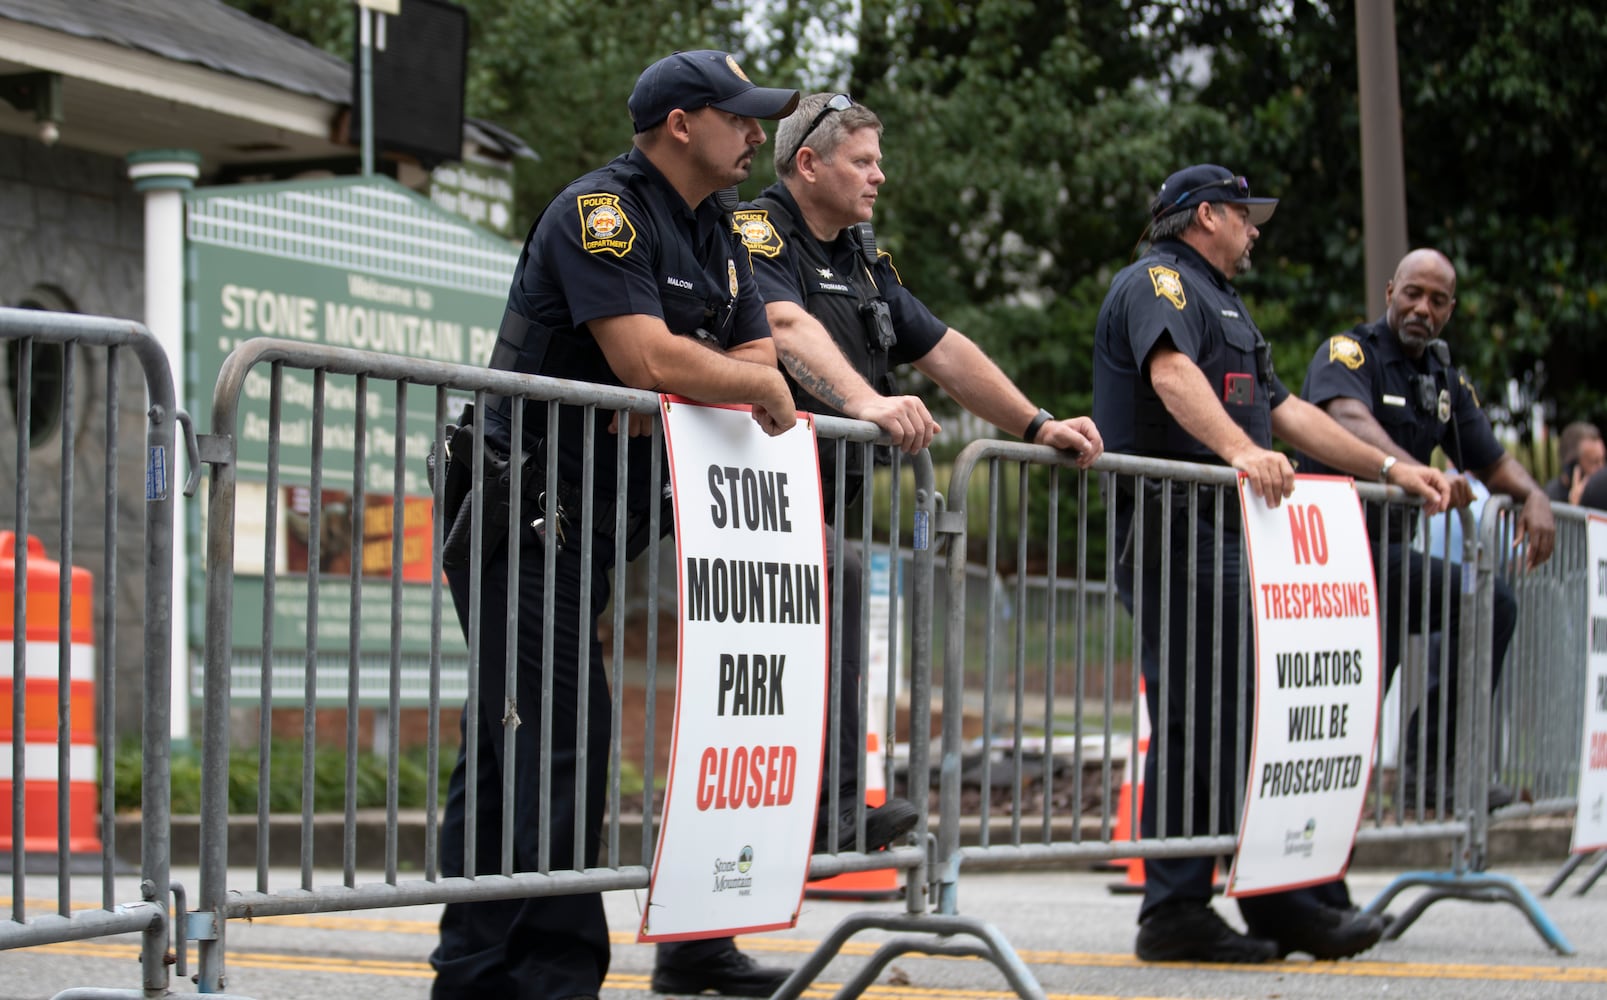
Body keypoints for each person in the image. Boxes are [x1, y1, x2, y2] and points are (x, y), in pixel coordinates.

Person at [431, 51, 801, 1000]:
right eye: (741, 117)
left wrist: (708, 372)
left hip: (587, 514)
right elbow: (650, 357)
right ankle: (548, 977)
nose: (756, 133)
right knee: (561, 731)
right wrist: (714, 376)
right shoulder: (601, 212)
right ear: (681, 123)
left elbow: (751, 349)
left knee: (513, 733)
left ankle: (474, 973)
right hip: (522, 506)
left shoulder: (715, 228)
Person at [1092, 164, 1450, 964]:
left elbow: (1285, 408)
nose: (1254, 230)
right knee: (1200, 720)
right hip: (1172, 532)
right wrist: (1242, 452)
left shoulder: (1226, 302)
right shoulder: (1159, 282)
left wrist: (1389, 469)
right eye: (1244, 216)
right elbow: (1170, 373)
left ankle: (1274, 894)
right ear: (1205, 215)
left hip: (1224, 538)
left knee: (1254, 716)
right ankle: (1177, 910)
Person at [735, 92, 1103, 844]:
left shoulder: (863, 256)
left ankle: (820, 813)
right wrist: (868, 400)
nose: (879, 176)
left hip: (815, 500)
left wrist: (1036, 422)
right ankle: (826, 812)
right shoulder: (754, 231)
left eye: (879, 160)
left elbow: (942, 349)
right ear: (808, 163)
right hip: (748, 496)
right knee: (793, 636)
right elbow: (780, 324)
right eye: (863, 161)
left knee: (832, 611)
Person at [1299, 248, 1556, 812]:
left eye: (1438, 300)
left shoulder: (1443, 377)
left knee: (1489, 606)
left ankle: (1426, 772)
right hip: (1331, 554)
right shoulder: (1349, 353)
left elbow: (1491, 459)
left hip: (1387, 556)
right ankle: (1323, 800)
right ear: (1390, 291)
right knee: (1357, 683)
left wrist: (1533, 494)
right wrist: (1412, 469)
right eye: (1413, 293)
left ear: (1451, 309)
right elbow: (1346, 418)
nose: (1423, 308)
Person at [1544, 421, 1604, 505]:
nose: (1602, 469)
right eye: (1594, 462)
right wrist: (1575, 507)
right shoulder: (1550, 499)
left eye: (1603, 460)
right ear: (1572, 466)